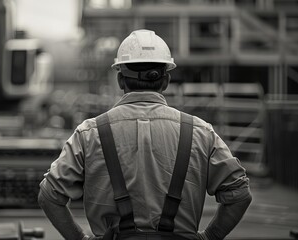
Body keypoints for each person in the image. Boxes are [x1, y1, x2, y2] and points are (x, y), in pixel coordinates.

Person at [38, 29, 252, 240]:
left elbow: (49, 196)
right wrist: (209, 237)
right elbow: (239, 194)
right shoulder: (199, 132)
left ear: (121, 80)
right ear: (166, 81)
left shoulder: (89, 133)